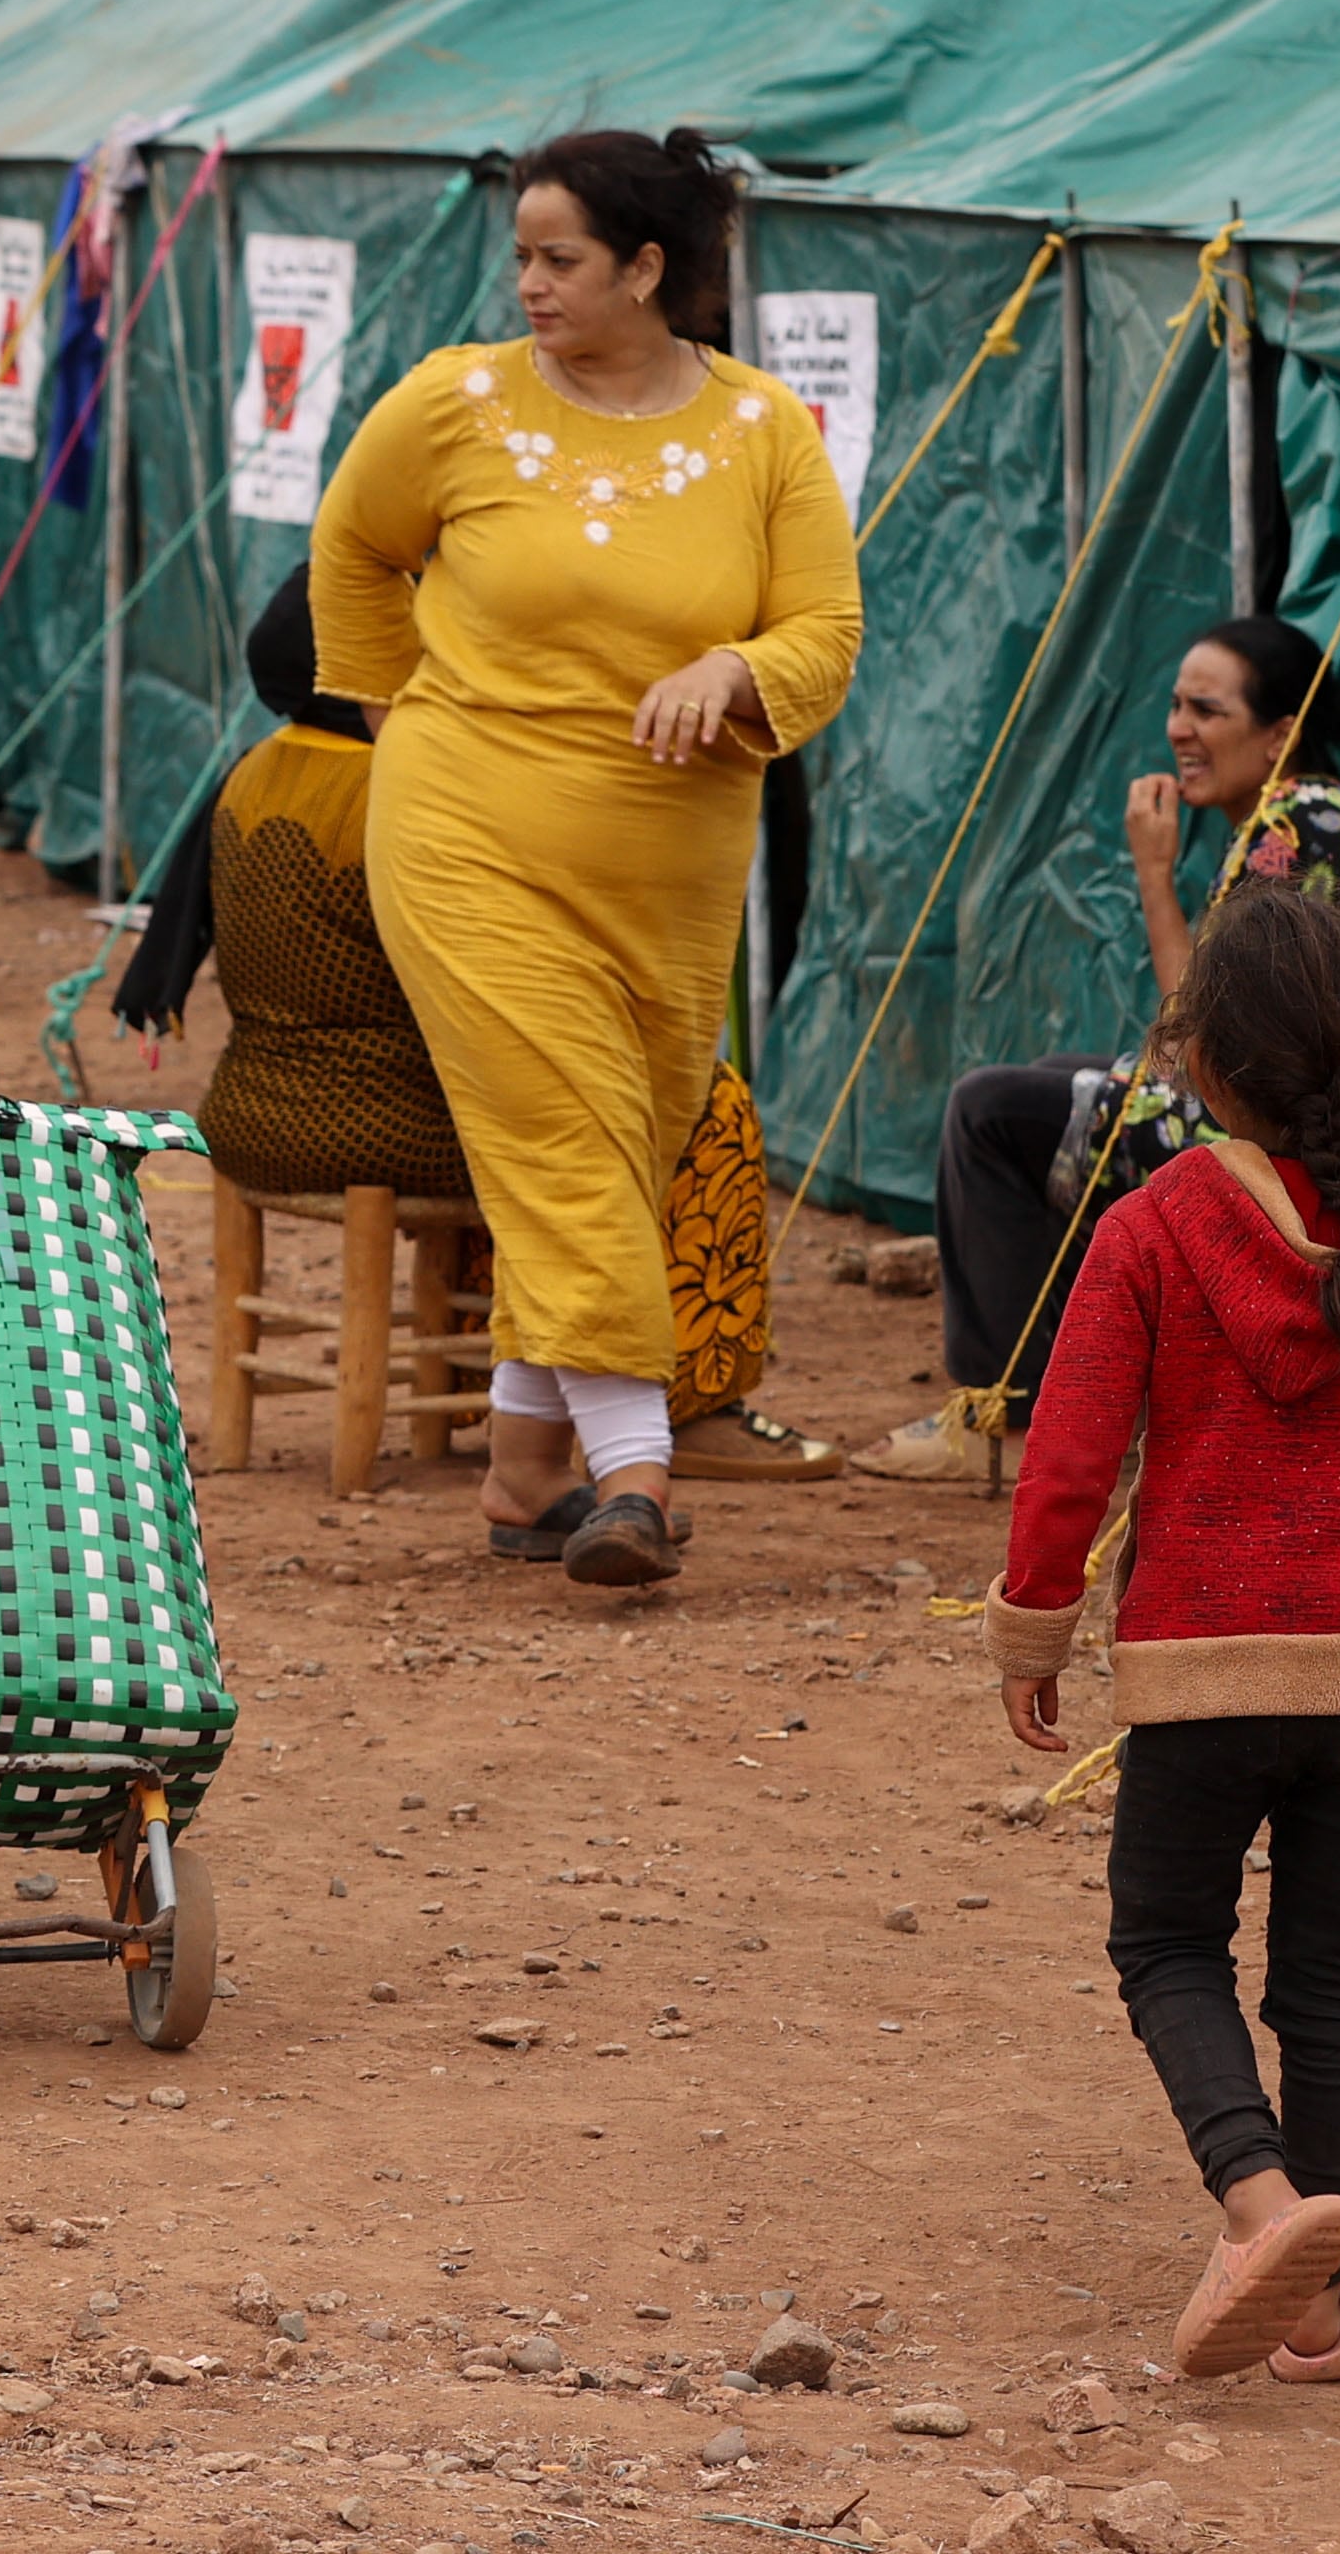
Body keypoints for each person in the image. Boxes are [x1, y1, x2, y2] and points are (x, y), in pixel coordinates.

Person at [990, 883, 1340, 2382]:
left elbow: (1071, 1449)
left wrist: (1034, 1630)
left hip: (1204, 1668)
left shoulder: (1154, 1229)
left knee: (1166, 1941)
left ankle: (1260, 2208)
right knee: (1334, 1982)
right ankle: (1328, 2291)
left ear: (1197, 1059)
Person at [308, 127, 862, 1587]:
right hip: (466, 835)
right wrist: (394, 715)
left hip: (671, 870)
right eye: (523, 258)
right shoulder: (454, 402)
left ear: (648, 267)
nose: (530, 285)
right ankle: (637, 1473)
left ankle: (518, 1473)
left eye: (560, 258)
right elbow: (353, 549)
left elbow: (828, 632)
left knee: (628, 1132)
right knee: (568, 1135)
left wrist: (734, 671)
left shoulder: (766, 434)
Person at [110, 567, 834, 1487]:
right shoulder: (419, 796)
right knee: (688, 1099)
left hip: (257, 1114)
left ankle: (491, 1361)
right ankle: (693, 1401)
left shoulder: (255, 769)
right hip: (395, 1125)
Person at [860, 614, 1340, 1485]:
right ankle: (1086, 1391)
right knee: (1047, 1086)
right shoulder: (1334, 814)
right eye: (1177, 705)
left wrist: (1153, 871)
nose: (1180, 728)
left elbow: (1202, 1042)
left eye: (1208, 711)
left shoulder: (1294, 821)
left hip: (1325, 1140)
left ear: (1279, 735)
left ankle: (1009, 1415)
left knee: (991, 1111)